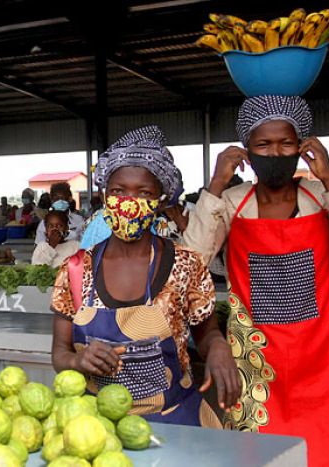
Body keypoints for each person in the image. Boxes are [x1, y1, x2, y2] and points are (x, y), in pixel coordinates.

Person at [183, 96, 329, 466]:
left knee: (326, 452)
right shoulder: (231, 201)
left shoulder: (322, 198)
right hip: (254, 360)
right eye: (263, 145)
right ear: (247, 152)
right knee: (258, 456)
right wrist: (216, 184)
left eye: (286, 143)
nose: (275, 153)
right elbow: (192, 262)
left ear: (302, 147)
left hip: (320, 357)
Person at [51, 125, 238, 427]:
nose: (128, 202)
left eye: (144, 193)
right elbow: (60, 351)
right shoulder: (75, 269)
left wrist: (218, 348)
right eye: (118, 191)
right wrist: (77, 361)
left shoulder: (185, 265)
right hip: (97, 428)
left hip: (175, 421)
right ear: (104, 196)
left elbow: (208, 334)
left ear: (161, 200)